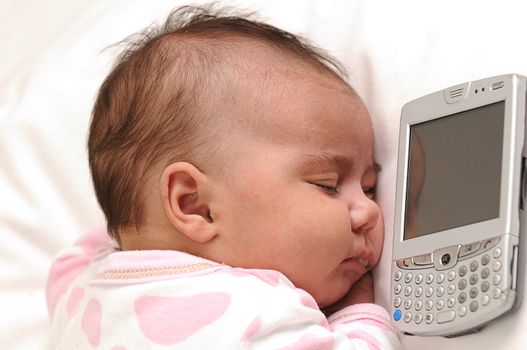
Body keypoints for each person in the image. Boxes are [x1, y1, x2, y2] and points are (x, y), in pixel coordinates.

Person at [46, 5, 401, 349]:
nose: (369, 212)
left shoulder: (77, 284)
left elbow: (89, 246)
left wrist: (133, 221)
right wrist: (357, 316)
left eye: (369, 189)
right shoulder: (252, 316)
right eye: (328, 185)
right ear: (196, 205)